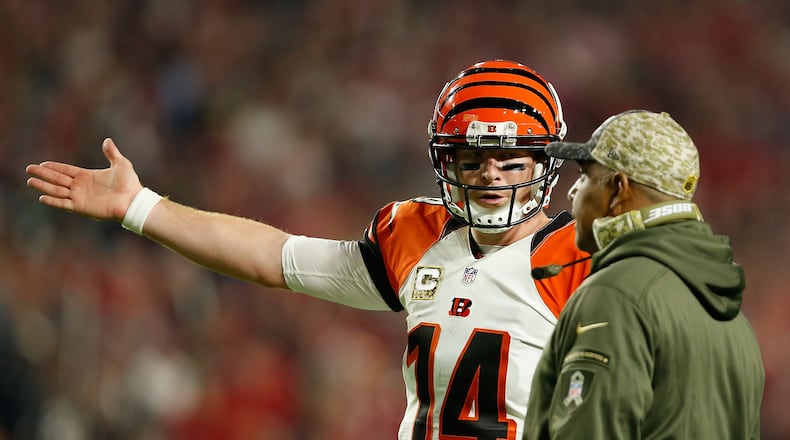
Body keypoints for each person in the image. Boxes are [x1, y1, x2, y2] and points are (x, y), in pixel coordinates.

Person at [25, 59, 590, 439]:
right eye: (472, 160)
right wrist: (140, 206)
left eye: (512, 160)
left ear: (546, 164)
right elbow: (278, 257)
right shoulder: (419, 235)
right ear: (447, 164)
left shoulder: (586, 259)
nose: (492, 177)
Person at [522, 110, 765, 439]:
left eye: (584, 176)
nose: (572, 192)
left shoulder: (616, 296)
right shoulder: (731, 316)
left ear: (618, 188)